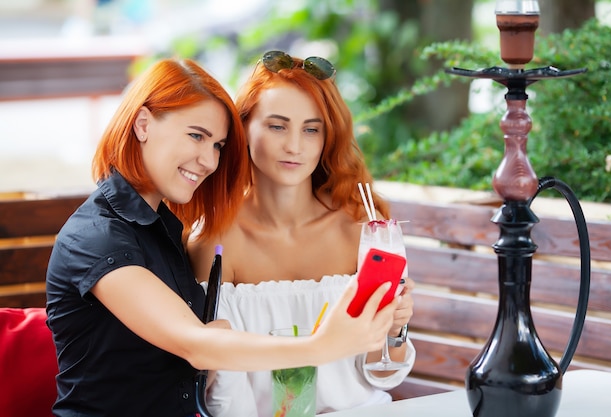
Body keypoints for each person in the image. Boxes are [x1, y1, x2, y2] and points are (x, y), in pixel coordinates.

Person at [45, 58, 398, 417]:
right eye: (196, 135)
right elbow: (196, 345)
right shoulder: (96, 239)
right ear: (142, 124)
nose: (209, 160)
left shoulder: (163, 228)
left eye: (218, 145)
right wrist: (322, 346)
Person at [187, 50, 416, 416]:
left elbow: (383, 376)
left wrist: (396, 329)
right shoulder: (213, 244)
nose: (295, 146)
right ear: (243, 128)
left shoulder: (362, 231)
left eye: (311, 129)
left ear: (328, 137)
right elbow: (218, 396)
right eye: (277, 126)